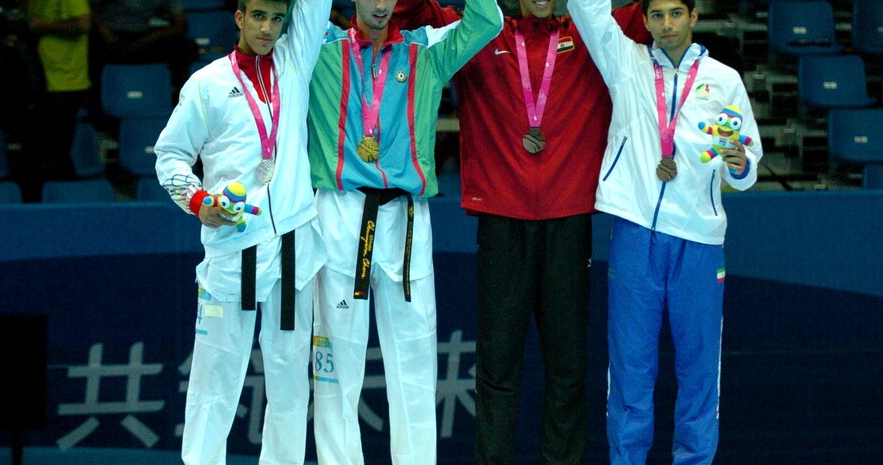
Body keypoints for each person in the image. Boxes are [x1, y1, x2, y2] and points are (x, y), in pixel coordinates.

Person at [391, 0, 649, 463]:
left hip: (568, 221)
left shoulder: (590, 34)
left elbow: (648, 14)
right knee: (496, 369)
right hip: (502, 221)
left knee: (568, 369)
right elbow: (408, 14)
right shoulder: (482, 32)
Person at [305, 0, 502, 462]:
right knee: (336, 365)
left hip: (406, 220)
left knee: (413, 364)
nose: (378, 5)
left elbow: (488, 20)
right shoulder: (317, 48)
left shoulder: (426, 50)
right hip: (339, 213)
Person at [567, 0, 763, 463]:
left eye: (677, 13)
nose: (667, 24)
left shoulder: (725, 80)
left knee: (699, 375)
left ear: (694, 17)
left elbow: (748, 162)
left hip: (699, 239)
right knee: (631, 371)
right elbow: (584, 7)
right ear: (645, 20)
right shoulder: (625, 62)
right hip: (636, 232)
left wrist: (740, 165)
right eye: (657, 15)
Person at [152, 0, 329, 463]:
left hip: (293, 244)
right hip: (234, 249)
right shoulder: (208, 84)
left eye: (276, 19)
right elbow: (170, 155)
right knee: (215, 381)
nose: (268, 29)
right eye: (258, 17)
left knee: (291, 382)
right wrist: (196, 201)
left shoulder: (295, 62)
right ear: (239, 17)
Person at [27, 0, 91, 184]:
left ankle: (61, 194)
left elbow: (82, 24)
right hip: (45, 77)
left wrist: (43, 26)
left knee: (57, 150)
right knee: (45, 148)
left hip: (66, 81)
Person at [90, 0, 197, 99]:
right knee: (92, 45)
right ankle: (96, 105)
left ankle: (178, 102)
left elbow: (181, 24)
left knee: (186, 47)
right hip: (110, 34)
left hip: (144, 35)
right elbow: (89, 11)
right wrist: (108, 35)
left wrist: (151, 37)